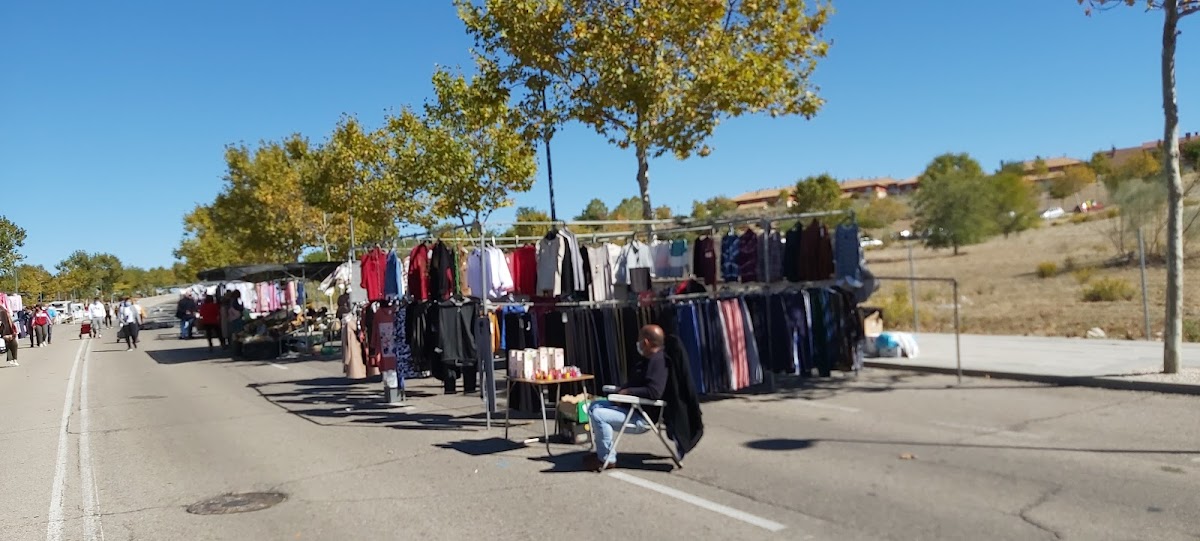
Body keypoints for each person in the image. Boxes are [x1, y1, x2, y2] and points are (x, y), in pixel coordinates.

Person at [584, 324, 669, 472]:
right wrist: (619, 391)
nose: (638, 344)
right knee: (594, 406)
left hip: (642, 416)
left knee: (598, 415)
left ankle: (607, 459)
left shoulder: (658, 362)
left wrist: (627, 393)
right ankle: (602, 452)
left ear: (646, 342)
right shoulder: (646, 360)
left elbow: (654, 392)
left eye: (640, 340)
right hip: (631, 407)